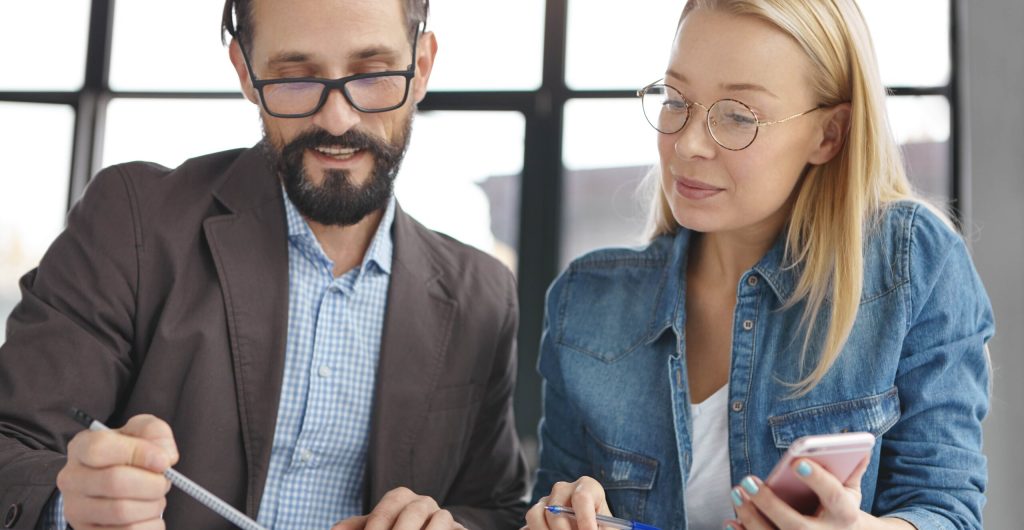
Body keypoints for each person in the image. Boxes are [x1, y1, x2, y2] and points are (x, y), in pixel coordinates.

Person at [0, 0, 529, 529]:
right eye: (295, 78)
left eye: (372, 73)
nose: (337, 119)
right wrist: (70, 508)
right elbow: (11, 445)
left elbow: (495, 508)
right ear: (245, 71)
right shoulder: (132, 222)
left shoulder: (483, 295)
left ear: (422, 67)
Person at [525, 1, 993, 530]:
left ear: (829, 135)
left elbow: (946, 510)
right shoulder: (585, 300)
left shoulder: (911, 263)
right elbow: (550, 501)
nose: (689, 143)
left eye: (738, 116)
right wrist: (563, 508)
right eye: (676, 100)